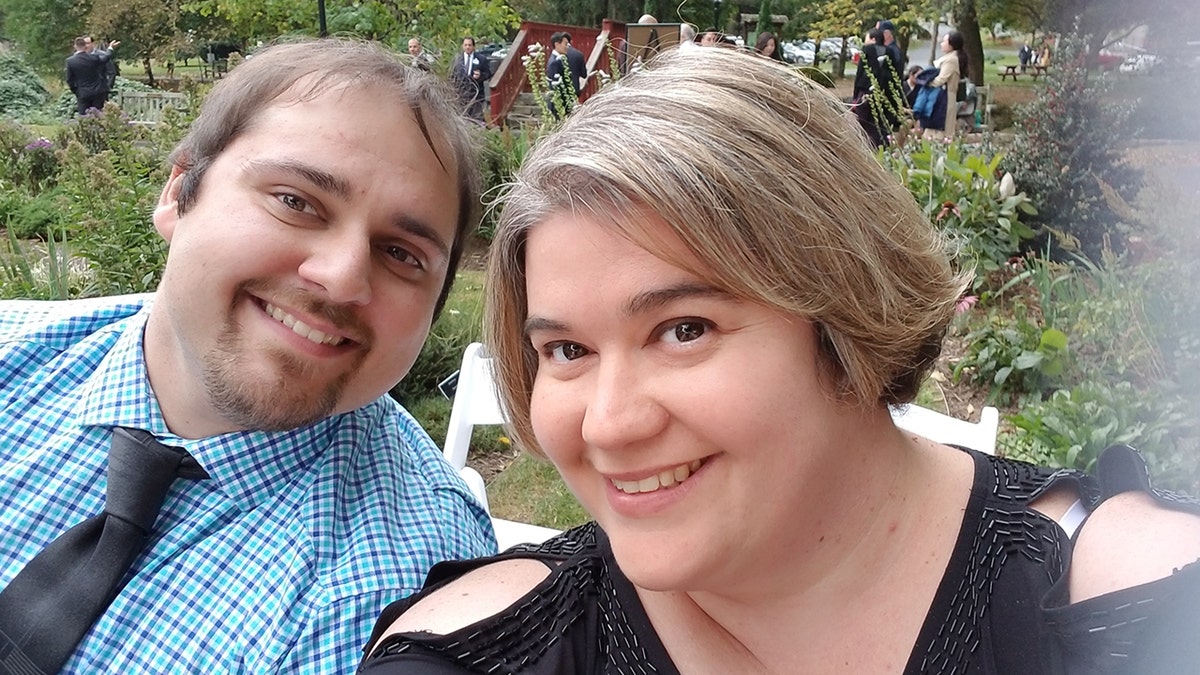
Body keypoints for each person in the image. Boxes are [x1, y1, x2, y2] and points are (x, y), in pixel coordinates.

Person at [357, 47, 1200, 674]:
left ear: (845, 312)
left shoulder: (1134, 612)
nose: (609, 423)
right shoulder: (474, 653)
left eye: (684, 329)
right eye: (567, 349)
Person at [0, 38, 495, 674]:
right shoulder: (15, 353)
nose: (342, 277)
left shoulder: (403, 591)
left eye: (402, 253)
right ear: (179, 194)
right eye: (296, 201)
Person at [913, 30, 967, 138]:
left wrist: (926, 82)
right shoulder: (951, 58)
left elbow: (941, 80)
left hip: (944, 98)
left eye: (944, 41)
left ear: (952, 44)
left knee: (941, 126)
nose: (941, 44)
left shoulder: (951, 60)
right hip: (942, 96)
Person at [65, 36, 120, 116]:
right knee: (99, 115)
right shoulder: (93, 58)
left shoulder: (70, 61)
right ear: (85, 46)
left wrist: (76, 91)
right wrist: (110, 48)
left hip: (83, 92)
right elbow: (106, 57)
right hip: (98, 91)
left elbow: (69, 79)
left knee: (83, 116)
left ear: (75, 46)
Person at [545, 31, 588, 118]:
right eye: (565, 44)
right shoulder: (555, 62)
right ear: (557, 45)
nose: (567, 47)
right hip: (560, 105)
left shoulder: (558, 59)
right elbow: (555, 86)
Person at [450, 37, 491, 123]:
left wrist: (480, 76)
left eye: (469, 45)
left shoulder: (481, 59)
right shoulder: (457, 59)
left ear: (474, 46)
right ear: (462, 46)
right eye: (465, 45)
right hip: (461, 94)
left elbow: (488, 74)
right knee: (463, 118)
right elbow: (452, 75)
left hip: (477, 94)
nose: (467, 47)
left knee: (477, 119)